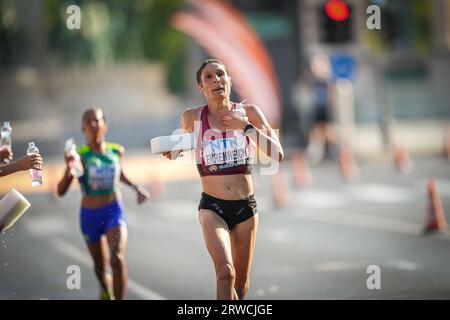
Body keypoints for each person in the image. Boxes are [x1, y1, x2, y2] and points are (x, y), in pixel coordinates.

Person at [163, 59, 284, 300]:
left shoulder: (249, 113)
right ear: (201, 87)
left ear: (229, 80)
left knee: (240, 285)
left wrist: (246, 127)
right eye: (208, 77)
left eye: (220, 74)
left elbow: (277, 154)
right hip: (212, 207)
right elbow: (181, 144)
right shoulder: (192, 117)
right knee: (225, 273)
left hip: (245, 208)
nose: (216, 80)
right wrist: (174, 149)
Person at [56, 108, 150, 300]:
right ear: (83, 129)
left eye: (96, 120)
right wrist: (68, 168)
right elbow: (61, 191)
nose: (92, 124)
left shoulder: (117, 150)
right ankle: (104, 288)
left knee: (117, 259)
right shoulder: (79, 156)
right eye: (88, 121)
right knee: (100, 266)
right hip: (90, 216)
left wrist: (136, 188)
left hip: (113, 212)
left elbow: (120, 174)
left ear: (104, 125)